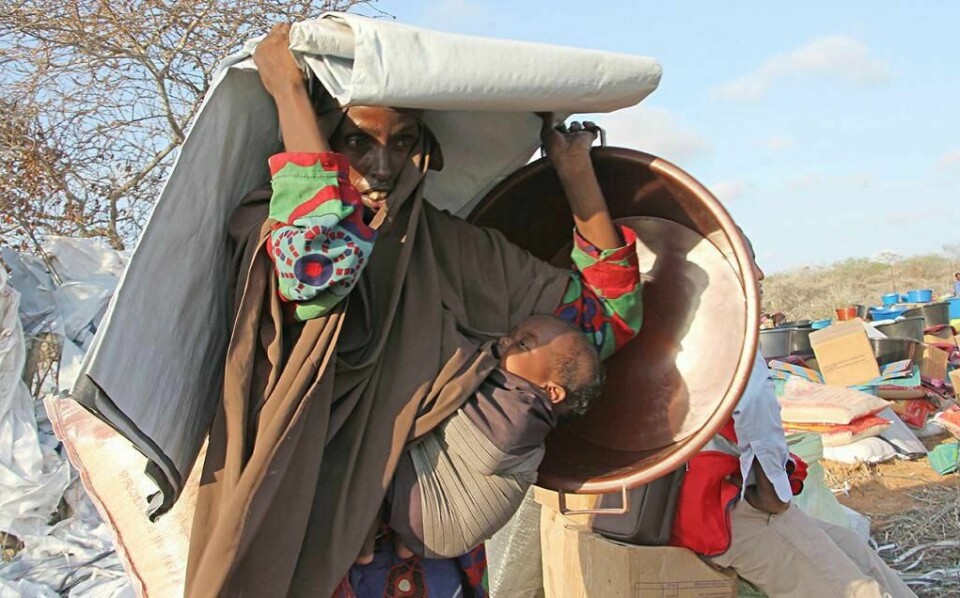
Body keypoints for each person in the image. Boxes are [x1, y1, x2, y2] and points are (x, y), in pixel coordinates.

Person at [185, 23, 642, 598]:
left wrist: (575, 171)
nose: (383, 165)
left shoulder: (445, 247)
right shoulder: (266, 222)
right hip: (306, 532)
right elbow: (317, 268)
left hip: (425, 554)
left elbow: (603, 324)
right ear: (324, 137)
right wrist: (290, 95)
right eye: (357, 141)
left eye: (401, 142)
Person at [669, 235, 916, 598]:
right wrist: (775, 498)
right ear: (722, 274)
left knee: (854, 549)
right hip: (729, 513)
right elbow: (760, 436)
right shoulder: (726, 344)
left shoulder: (688, 339)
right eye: (748, 262)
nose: (760, 273)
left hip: (721, 504)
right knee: (857, 591)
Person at [382, 315, 603, 562]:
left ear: (550, 391)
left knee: (384, 417)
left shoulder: (518, 419)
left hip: (434, 516)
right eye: (514, 333)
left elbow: (453, 408)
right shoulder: (518, 408)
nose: (506, 339)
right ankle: (405, 543)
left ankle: (379, 528)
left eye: (524, 344)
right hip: (439, 528)